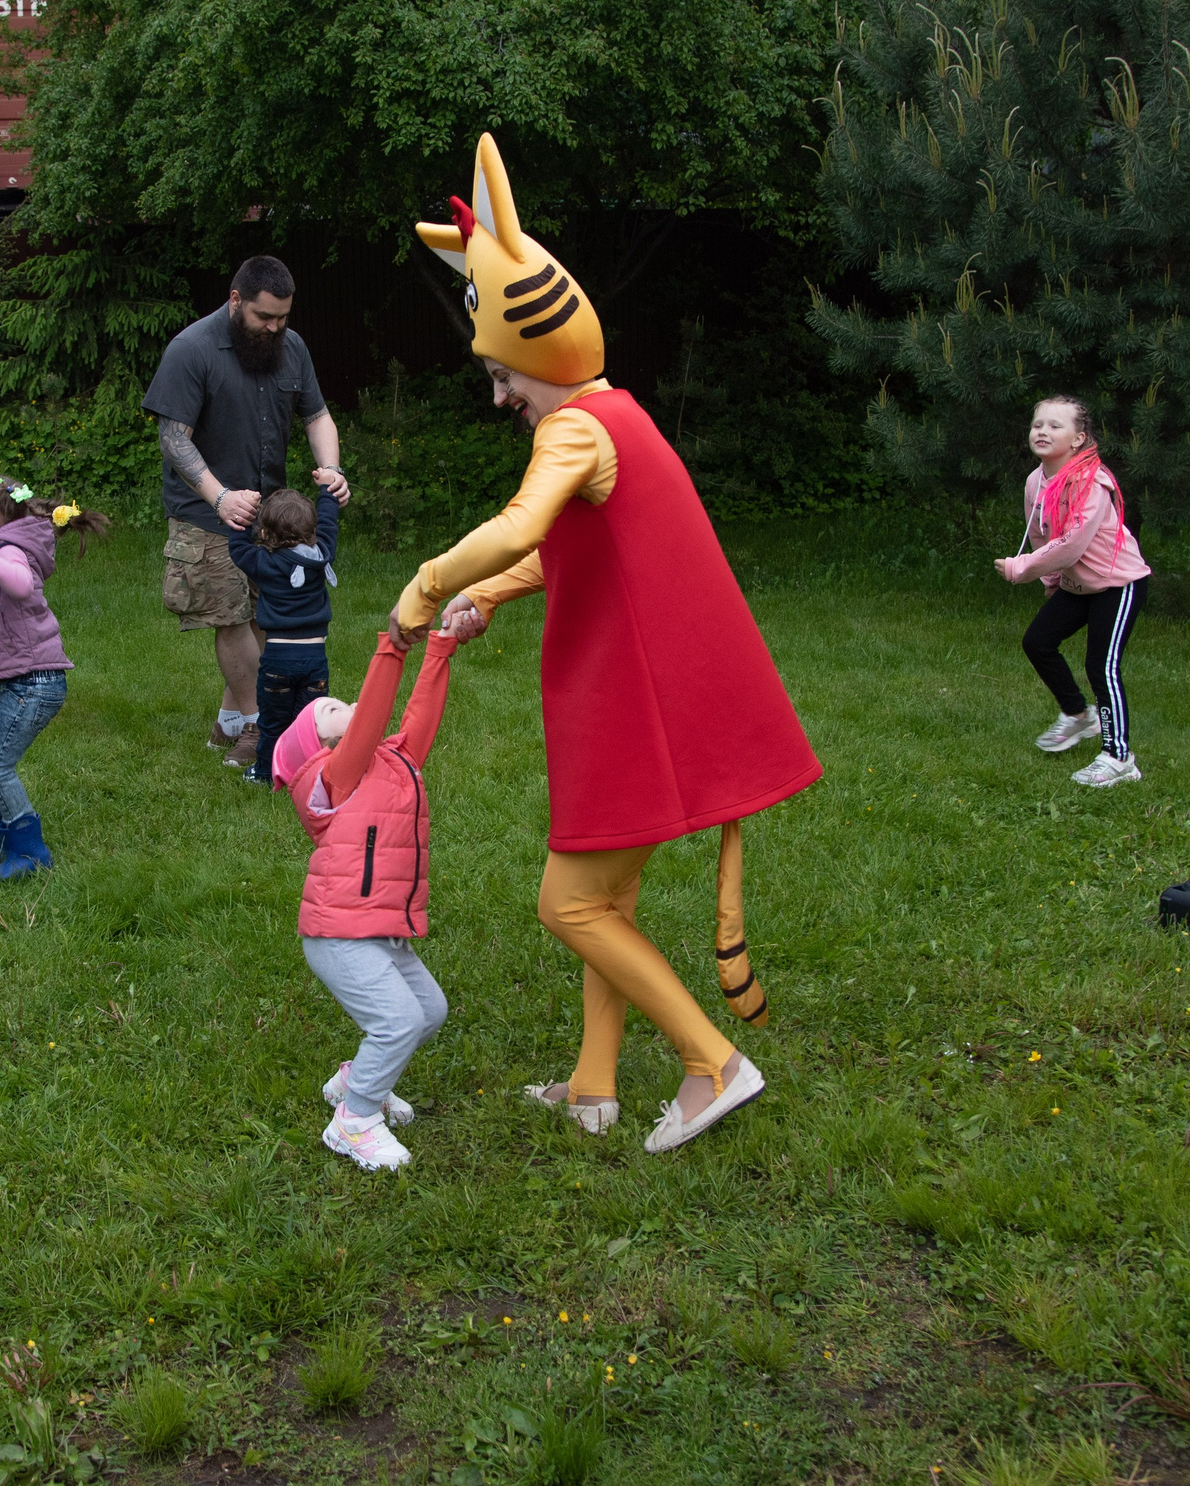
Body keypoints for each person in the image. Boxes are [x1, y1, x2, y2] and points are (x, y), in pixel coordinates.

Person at [395, 133, 824, 1154]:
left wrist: (429, 584)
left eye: (502, 374)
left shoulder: (574, 431)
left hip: (636, 699)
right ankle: (593, 1085)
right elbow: (573, 550)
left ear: (536, 349)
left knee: (570, 901)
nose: (501, 396)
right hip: (632, 692)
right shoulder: (612, 415)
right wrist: (492, 597)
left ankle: (711, 1062)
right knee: (609, 894)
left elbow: (516, 526)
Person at [143, 256, 351, 773]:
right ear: (236, 300)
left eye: (283, 316)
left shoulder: (292, 348)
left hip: (270, 516)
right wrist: (219, 496)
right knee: (231, 615)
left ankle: (230, 720)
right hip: (204, 511)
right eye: (265, 317)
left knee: (265, 615)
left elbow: (317, 414)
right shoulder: (191, 350)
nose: (276, 327)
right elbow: (173, 438)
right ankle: (264, 723)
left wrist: (331, 469)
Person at [270, 630, 463, 1171]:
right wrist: (393, 646)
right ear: (319, 746)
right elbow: (374, 716)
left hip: (378, 931)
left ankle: (353, 1081)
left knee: (429, 1011)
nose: (345, 704)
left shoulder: (391, 762)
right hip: (338, 935)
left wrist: (442, 646)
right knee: (398, 1020)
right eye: (330, 709)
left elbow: (419, 717)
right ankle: (353, 1123)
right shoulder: (335, 776)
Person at [0, 472, 112, 876]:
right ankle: (12, 843)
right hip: (25, 681)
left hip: (35, 683)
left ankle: (30, 853)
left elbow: (18, 584)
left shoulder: (8, 549)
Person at [995, 396, 1153, 788]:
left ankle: (1119, 758)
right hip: (1077, 585)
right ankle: (1079, 715)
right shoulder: (1036, 481)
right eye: (1038, 425)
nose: (1042, 432)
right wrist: (1050, 580)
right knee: (1038, 642)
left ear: (1079, 439)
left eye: (1055, 426)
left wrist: (1023, 568)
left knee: (1101, 666)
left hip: (1118, 584)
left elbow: (1072, 543)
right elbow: (1041, 534)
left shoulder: (1092, 482)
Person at [226, 486, 341, 787]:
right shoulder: (322, 555)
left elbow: (238, 549)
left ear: (264, 533)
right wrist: (327, 490)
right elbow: (329, 523)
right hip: (315, 660)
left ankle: (265, 773)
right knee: (309, 723)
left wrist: (243, 511)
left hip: (277, 660)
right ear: (312, 530)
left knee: (273, 721)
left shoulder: (264, 563)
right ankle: (308, 774)